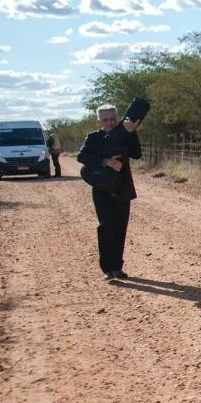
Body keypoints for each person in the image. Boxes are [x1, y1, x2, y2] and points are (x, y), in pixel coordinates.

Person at [76, 105, 142, 281]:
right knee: (105, 227)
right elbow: (81, 156)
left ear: (117, 118)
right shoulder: (93, 138)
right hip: (101, 189)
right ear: (99, 121)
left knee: (120, 228)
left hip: (122, 188)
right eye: (105, 120)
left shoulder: (124, 134)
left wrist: (131, 132)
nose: (109, 122)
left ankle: (117, 268)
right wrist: (105, 161)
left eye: (112, 119)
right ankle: (107, 268)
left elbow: (137, 154)